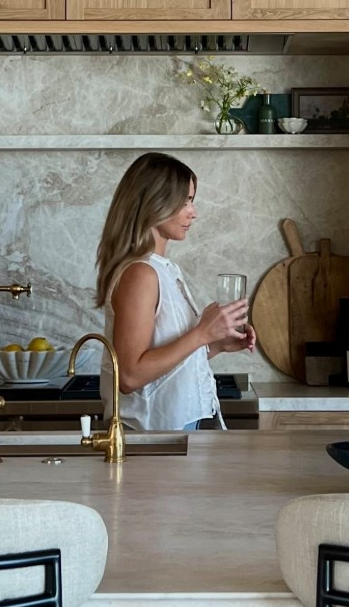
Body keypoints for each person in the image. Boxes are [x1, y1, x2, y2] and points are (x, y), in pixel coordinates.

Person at [94, 152, 256, 431]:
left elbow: (164, 367)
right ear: (153, 203)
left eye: (191, 200)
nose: (193, 212)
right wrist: (202, 333)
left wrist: (216, 343)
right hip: (151, 439)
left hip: (173, 432)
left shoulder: (164, 270)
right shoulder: (140, 274)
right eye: (185, 201)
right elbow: (130, 376)